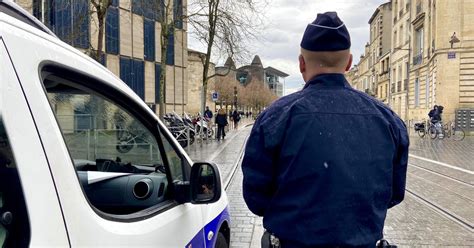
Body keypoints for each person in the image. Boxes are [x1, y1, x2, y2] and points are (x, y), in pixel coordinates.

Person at [241, 12, 409, 248]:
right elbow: (394, 194)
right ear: (349, 63)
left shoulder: (275, 118)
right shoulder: (388, 120)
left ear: (301, 63)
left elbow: (256, 200)